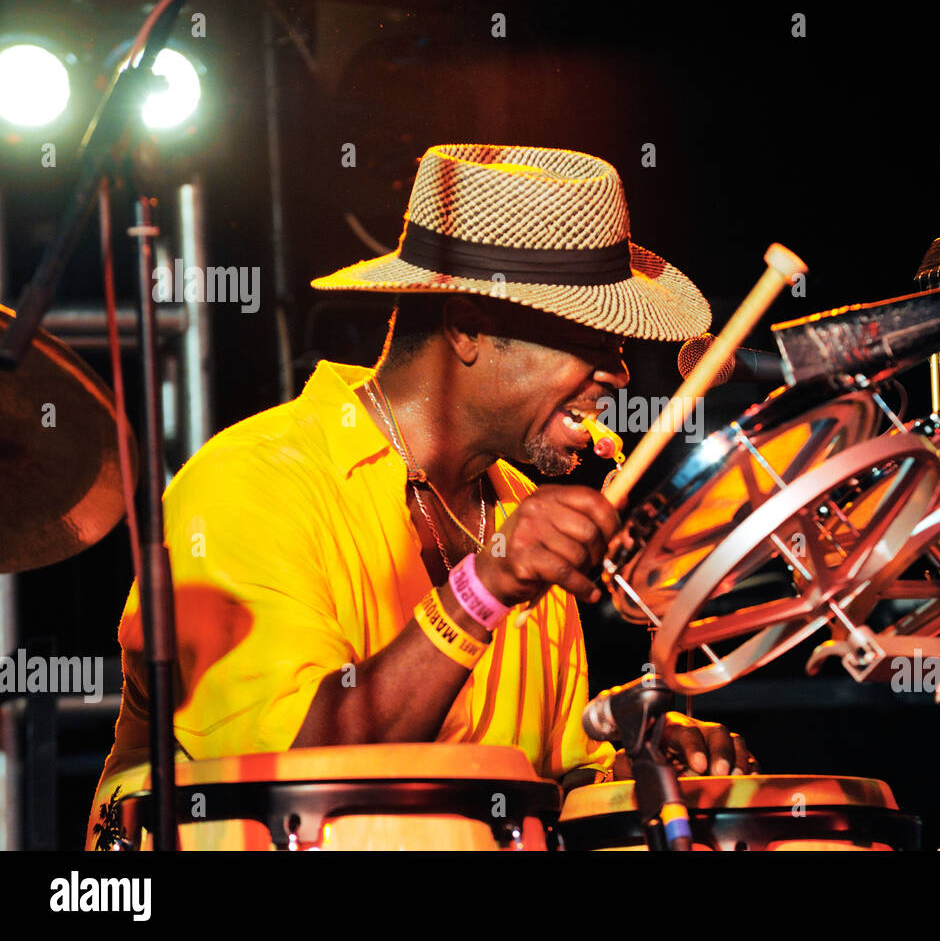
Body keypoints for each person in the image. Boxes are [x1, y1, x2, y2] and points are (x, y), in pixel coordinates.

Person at [87, 143, 757, 847]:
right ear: (467, 323)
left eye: (620, 348)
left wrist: (639, 764)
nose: (617, 376)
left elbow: (543, 788)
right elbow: (290, 780)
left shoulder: (520, 510)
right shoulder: (252, 480)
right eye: (589, 340)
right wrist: (483, 588)